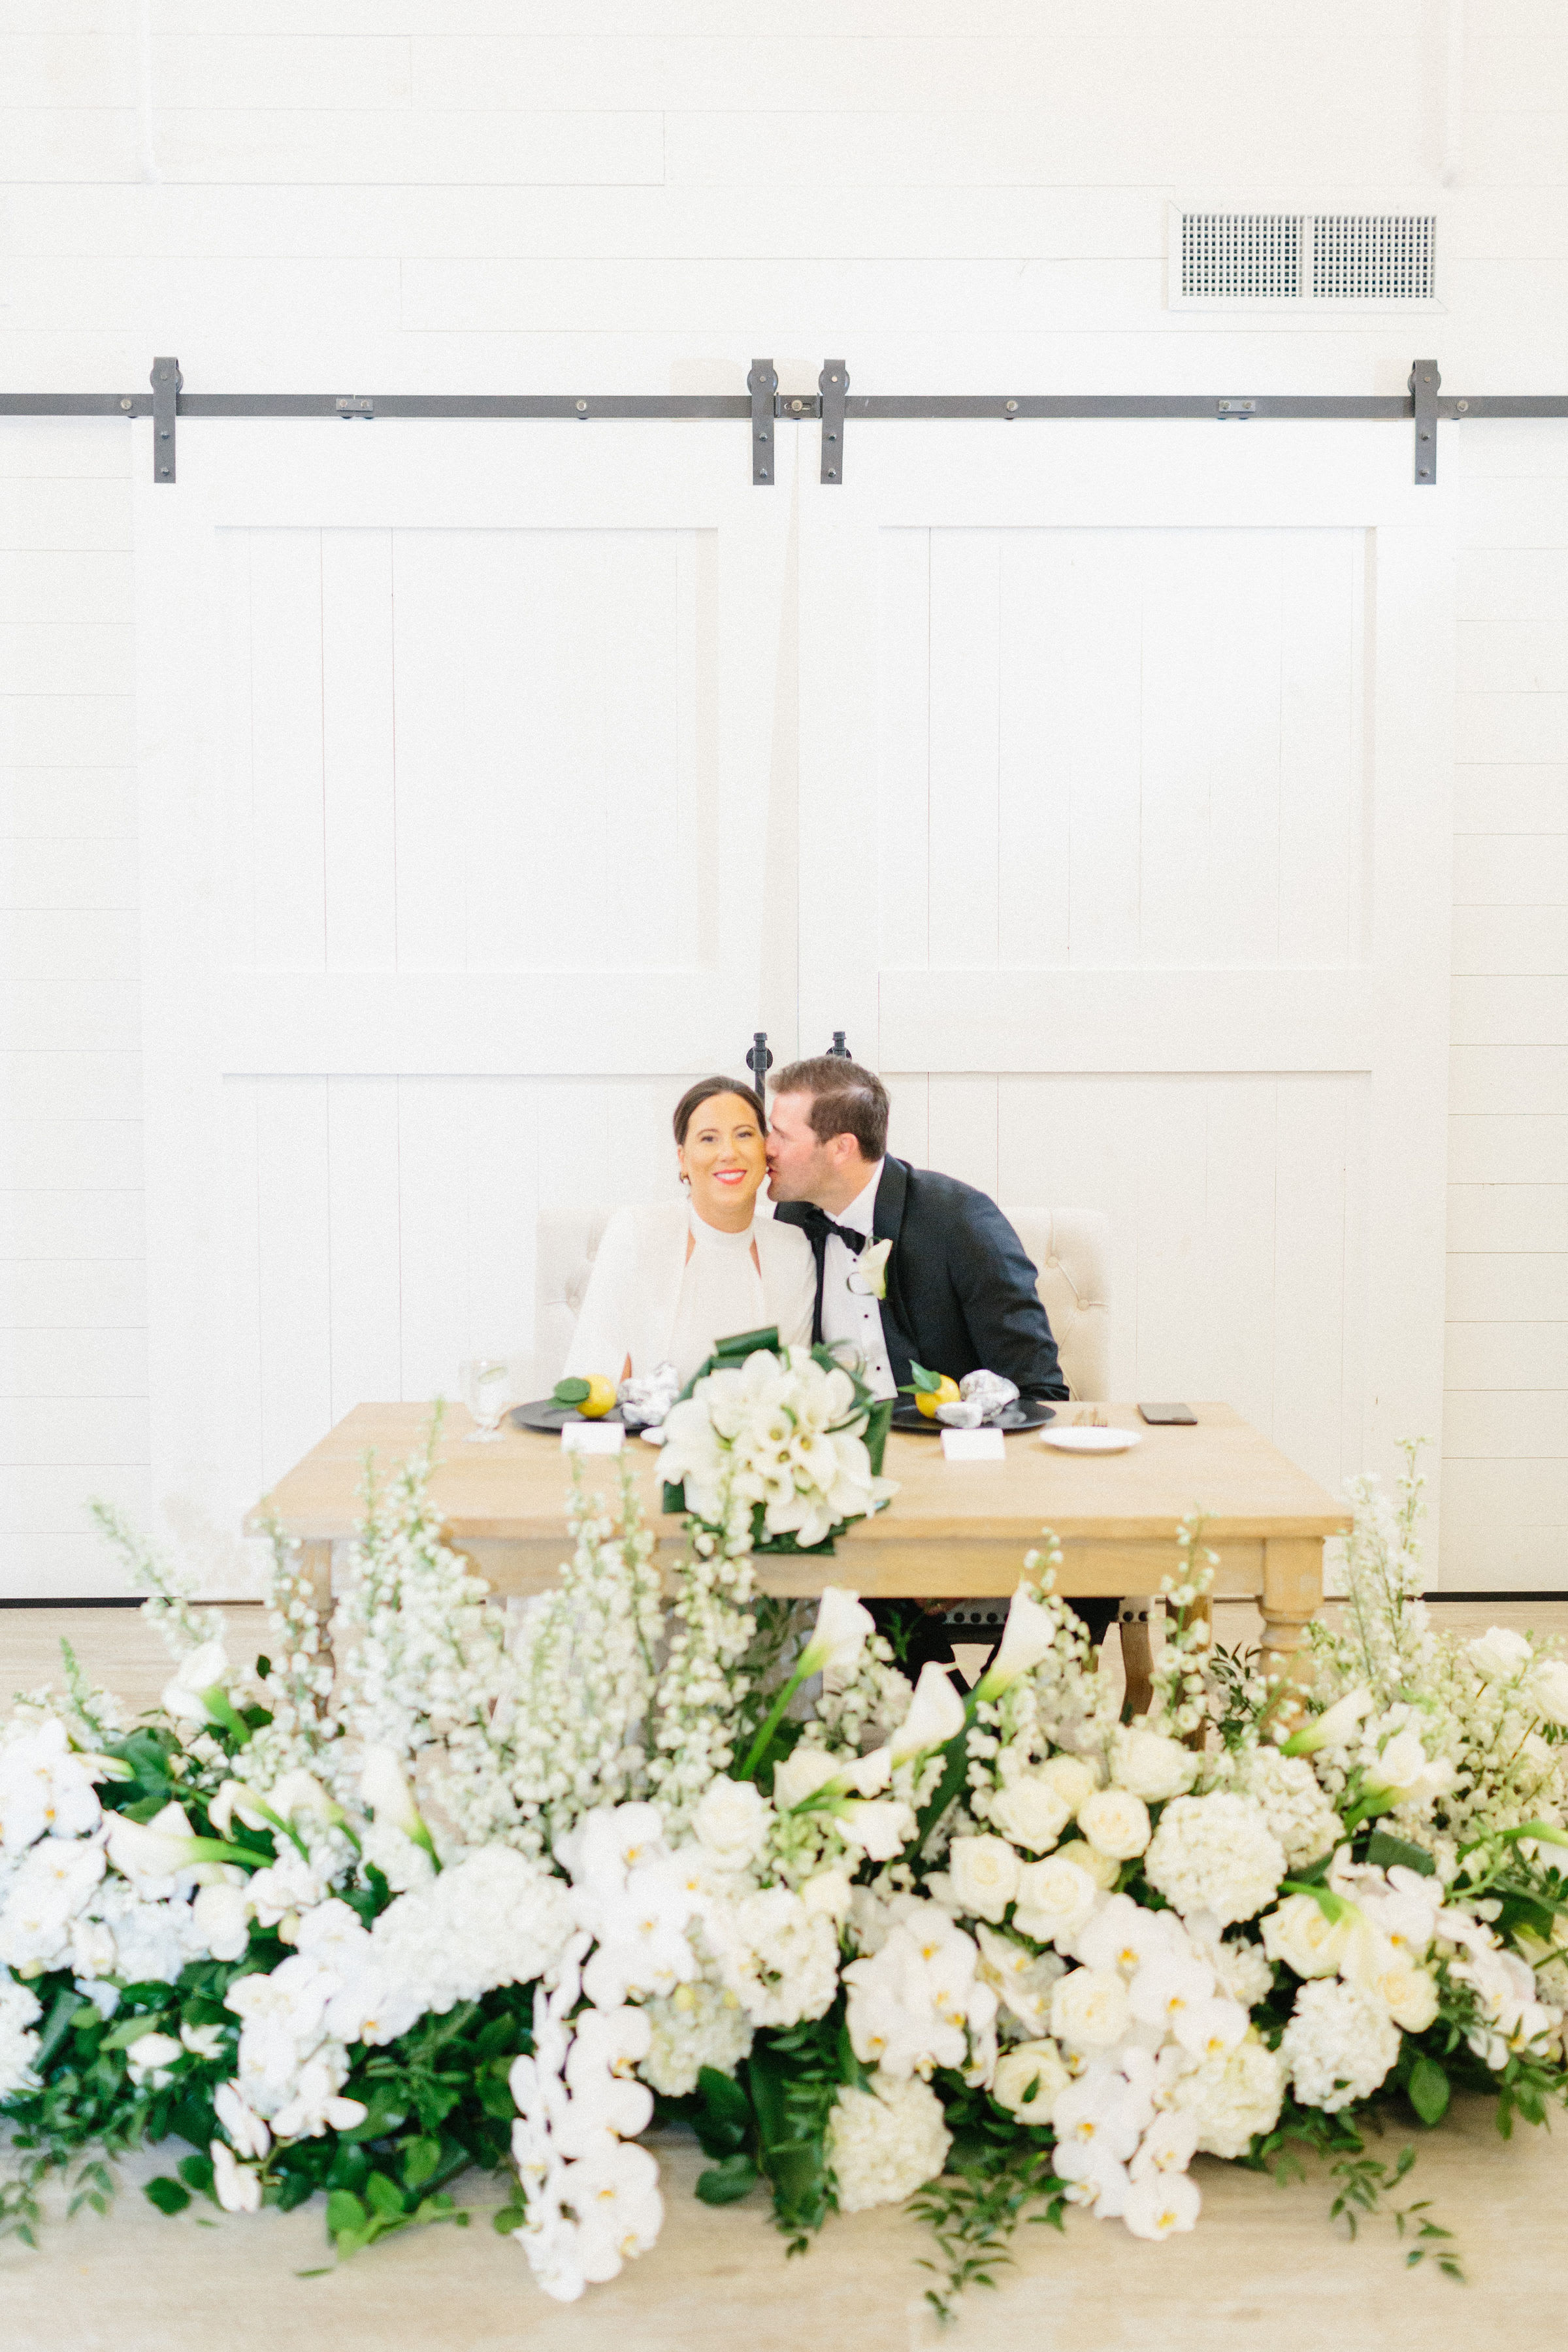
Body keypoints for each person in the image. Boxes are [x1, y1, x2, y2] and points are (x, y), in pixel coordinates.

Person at [764, 1054, 1115, 1663]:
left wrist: (971, 1538)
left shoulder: (959, 1220)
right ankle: (939, 1699)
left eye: (780, 1133)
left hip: (965, 1475)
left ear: (841, 1148)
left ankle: (1003, 1709)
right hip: (855, 1483)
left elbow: (1037, 1390)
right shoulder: (792, 1222)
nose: (765, 1148)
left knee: (1098, 1555)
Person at [564, 1077, 815, 1392]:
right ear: (683, 1159)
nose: (729, 1153)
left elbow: (796, 1384)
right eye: (708, 1139)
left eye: (744, 1134)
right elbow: (597, 1378)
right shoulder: (637, 1231)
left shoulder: (793, 1248)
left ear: (765, 1149)